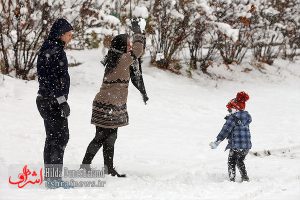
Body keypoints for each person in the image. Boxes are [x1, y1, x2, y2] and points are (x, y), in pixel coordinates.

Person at [80, 19, 148, 178]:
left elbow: (135, 53)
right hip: (108, 105)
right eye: (128, 44)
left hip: (109, 104)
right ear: (122, 47)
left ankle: (108, 168)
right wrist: (137, 31)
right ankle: (85, 166)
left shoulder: (116, 58)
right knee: (102, 137)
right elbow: (138, 50)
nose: (130, 46)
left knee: (110, 136)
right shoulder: (122, 60)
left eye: (130, 44)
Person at [36, 18, 73, 187]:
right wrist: (61, 100)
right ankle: (54, 180)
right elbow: (51, 80)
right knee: (60, 137)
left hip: (45, 99)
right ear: (60, 34)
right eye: (68, 33)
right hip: (51, 101)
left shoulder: (48, 48)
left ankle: (51, 178)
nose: (70, 37)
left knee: (52, 138)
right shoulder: (55, 51)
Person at [209, 91, 252, 182]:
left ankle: (232, 178)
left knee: (231, 161)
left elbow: (225, 130)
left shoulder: (233, 118)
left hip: (236, 146)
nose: (228, 111)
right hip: (246, 147)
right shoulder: (246, 117)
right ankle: (245, 177)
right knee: (240, 160)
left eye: (229, 109)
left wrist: (218, 141)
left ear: (236, 108)